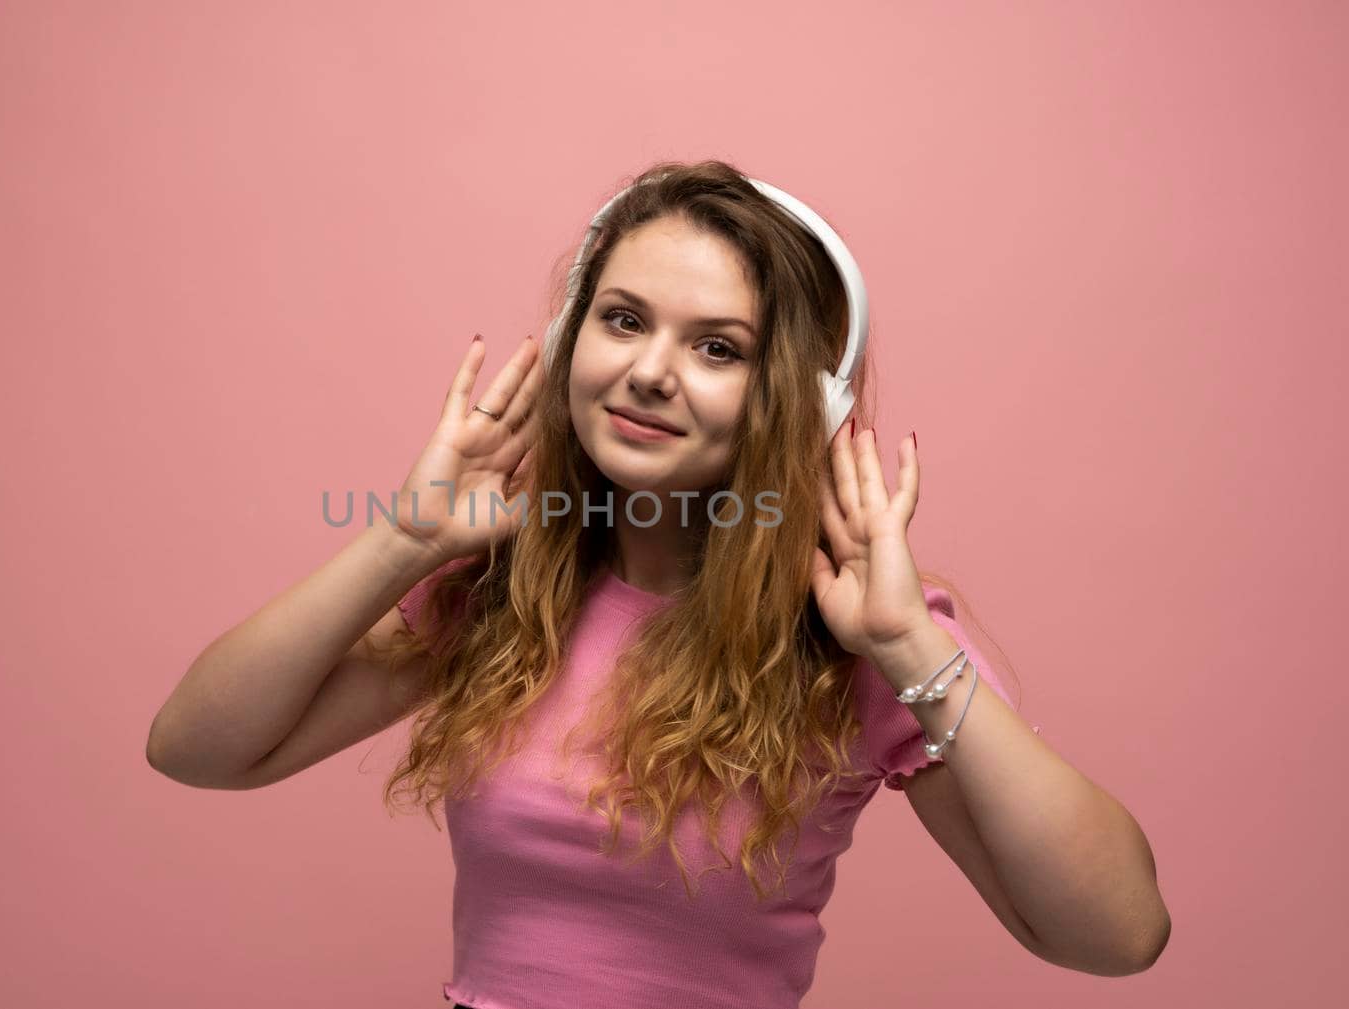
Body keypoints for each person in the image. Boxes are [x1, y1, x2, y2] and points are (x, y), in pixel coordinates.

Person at [147, 160, 1170, 1006]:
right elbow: (198, 749)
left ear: (798, 404)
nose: (648, 371)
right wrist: (402, 543)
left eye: (716, 347)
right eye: (622, 320)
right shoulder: (499, 587)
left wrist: (907, 645)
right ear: (567, 344)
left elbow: (1115, 935)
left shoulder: (857, 635)